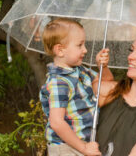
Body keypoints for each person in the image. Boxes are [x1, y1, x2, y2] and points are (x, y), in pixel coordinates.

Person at [39, 18, 113, 156]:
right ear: (60, 50)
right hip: (66, 147)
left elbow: (106, 83)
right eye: (80, 45)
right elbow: (57, 122)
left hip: (83, 143)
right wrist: (83, 148)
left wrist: (103, 66)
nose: (85, 50)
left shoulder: (81, 71)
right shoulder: (58, 82)